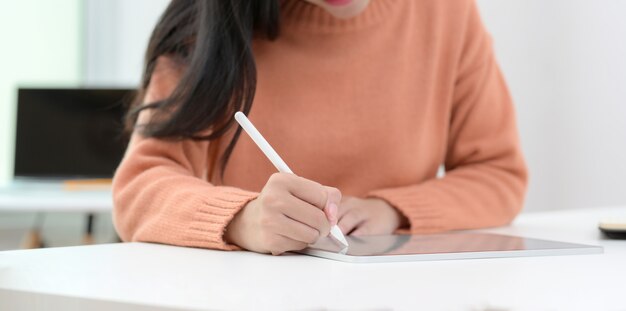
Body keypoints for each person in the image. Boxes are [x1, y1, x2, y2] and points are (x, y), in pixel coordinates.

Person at [113, 0, 528, 255]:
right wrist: (243, 220)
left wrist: (390, 210)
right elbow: (139, 188)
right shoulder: (211, 27)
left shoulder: (446, 12)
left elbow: (498, 175)